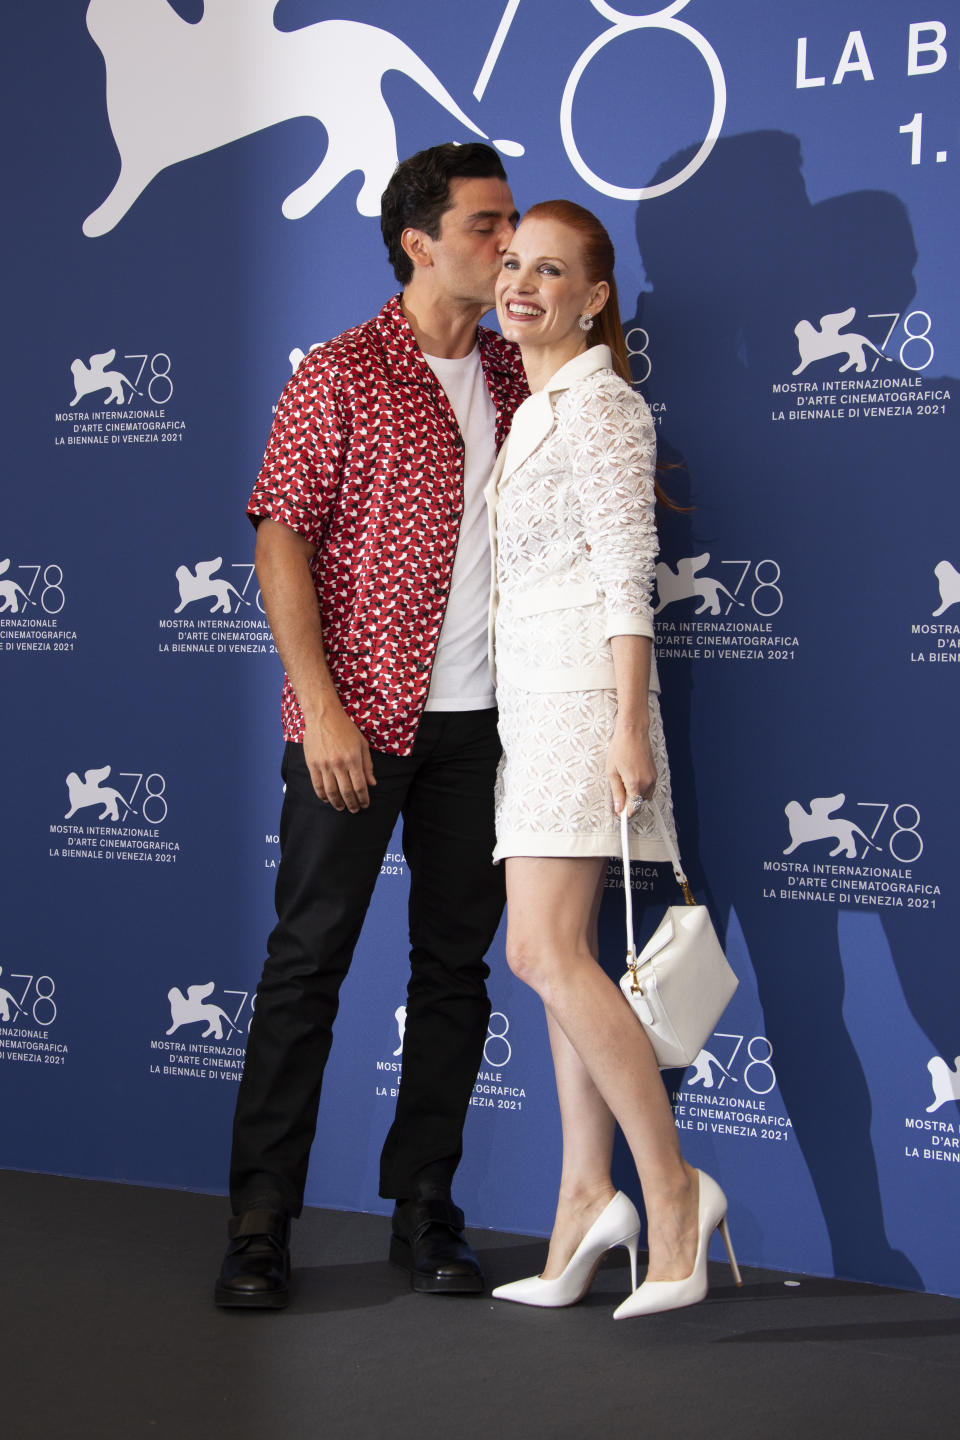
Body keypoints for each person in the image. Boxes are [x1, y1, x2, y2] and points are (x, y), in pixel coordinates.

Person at [215, 143, 526, 1309]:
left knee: (454, 972)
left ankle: (426, 1208)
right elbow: (279, 538)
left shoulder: (518, 379)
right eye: (487, 226)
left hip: (484, 732)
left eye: (508, 226)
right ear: (421, 242)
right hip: (358, 725)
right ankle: (258, 1226)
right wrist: (324, 709)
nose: (508, 246)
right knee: (306, 967)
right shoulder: (340, 374)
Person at [486, 201, 739, 1317]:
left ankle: (674, 1192)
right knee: (563, 956)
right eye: (509, 264)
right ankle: (586, 1197)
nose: (520, 284)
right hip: (531, 707)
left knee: (542, 952)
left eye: (549, 270)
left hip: (587, 704)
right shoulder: (535, 405)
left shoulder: (602, 404)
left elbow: (627, 576)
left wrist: (629, 724)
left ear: (595, 300)